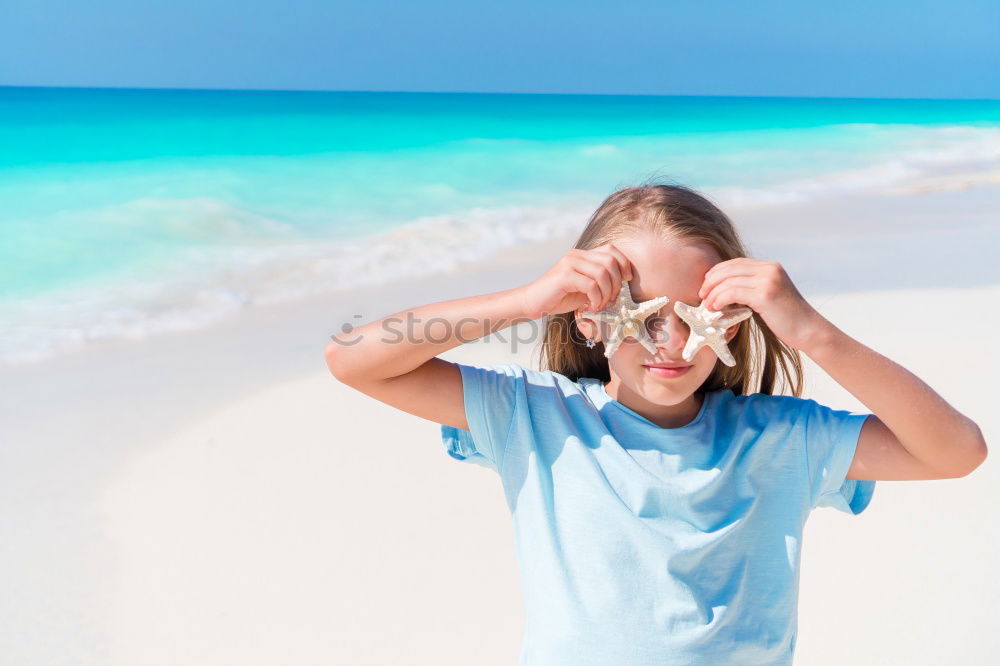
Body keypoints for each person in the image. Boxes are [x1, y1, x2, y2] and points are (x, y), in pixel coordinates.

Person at [324, 182, 987, 665]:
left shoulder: (780, 441)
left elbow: (957, 451)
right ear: (587, 317)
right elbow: (351, 357)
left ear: (735, 317)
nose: (671, 340)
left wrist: (813, 332)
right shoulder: (536, 416)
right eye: (640, 313)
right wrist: (523, 301)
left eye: (697, 311)